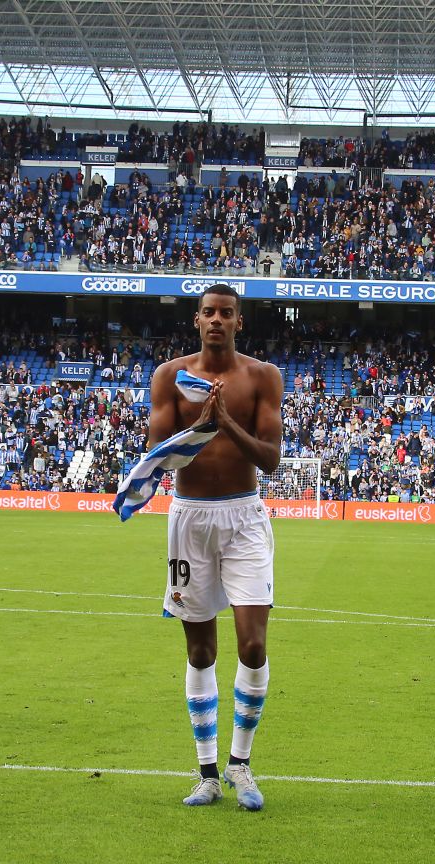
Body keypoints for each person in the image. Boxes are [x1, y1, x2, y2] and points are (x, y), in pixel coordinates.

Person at [146, 285, 283, 811]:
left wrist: (225, 422)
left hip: (245, 517)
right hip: (190, 520)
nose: (218, 320)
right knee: (200, 649)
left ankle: (240, 766)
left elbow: (270, 459)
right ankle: (206, 773)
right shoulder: (169, 377)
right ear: (196, 321)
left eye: (227, 313)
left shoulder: (261, 377)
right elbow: (158, 459)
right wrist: (197, 432)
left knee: (252, 645)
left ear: (238, 322)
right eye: (209, 313)